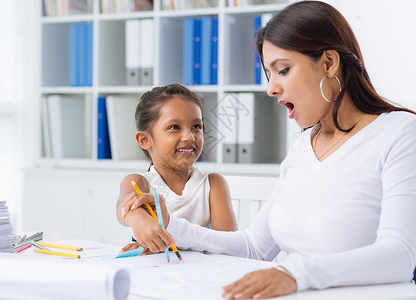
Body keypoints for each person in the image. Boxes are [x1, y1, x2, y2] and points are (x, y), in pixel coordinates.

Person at [121, 1, 416, 298]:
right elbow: (254, 248)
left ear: (328, 63)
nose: (271, 89)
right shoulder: (303, 146)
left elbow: (399, 256)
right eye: (269, 75)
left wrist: (295, 274)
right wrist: (172, 225)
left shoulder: (400, 133)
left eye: (283, 70)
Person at [116, 83, 237, 254]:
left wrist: (173, 245)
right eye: (174, 127)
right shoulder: (138, 182)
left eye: (196, 127)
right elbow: (122, 208)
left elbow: (228, 246)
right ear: (145, 140)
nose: (189, 137)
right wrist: (136, 217)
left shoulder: (213, 184)